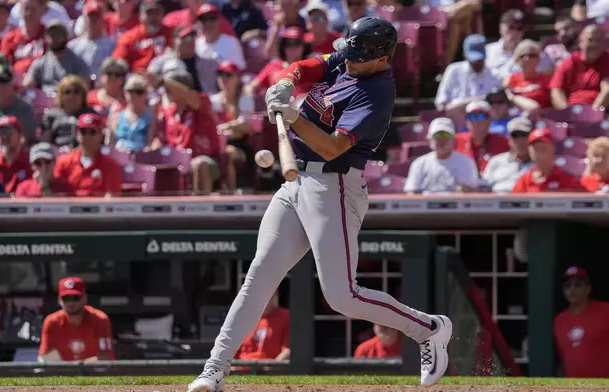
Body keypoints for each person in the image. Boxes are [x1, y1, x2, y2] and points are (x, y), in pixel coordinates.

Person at [187, 17, 452, 392]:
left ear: (381, 59)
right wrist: (287, 81)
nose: (348, 61)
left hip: (336, 187)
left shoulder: (376, 93)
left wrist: (292, 115)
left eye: (358, 57)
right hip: (296, 182)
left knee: (342, 295)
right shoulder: (350, 59)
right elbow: (312, 64)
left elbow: (332, 146)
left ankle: (429, 328)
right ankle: (214, 368)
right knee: (258, 277)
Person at [160, 69, 221, 194]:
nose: (166, 92)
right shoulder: (170, 112)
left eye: (169, 88)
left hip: (209, 161)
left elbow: (192, 98)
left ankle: (201, 209)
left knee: (199, 163)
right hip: (177, 162)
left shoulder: (202, 103)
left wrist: (165, 81)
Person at [38, 277, 115, 362]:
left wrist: (78, 367)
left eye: (76, 298)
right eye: (66, 298)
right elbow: (44, 358)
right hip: (65, 373)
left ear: (85, 298)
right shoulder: (51, 322)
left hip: (93, 372)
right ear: (59, 301)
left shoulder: (100, 320)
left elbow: (106, 357)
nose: (71, 303)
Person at [553, 266, 609, 378]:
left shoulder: (606, 311)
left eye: (578, 285)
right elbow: (564, 360)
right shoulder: (560, 320)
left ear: (588, 288)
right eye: (568, 286)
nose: (572, 290)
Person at [404, 117, 479, 194]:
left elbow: (470, 193)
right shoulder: (419, 164)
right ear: (430, 140)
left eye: (446, 136)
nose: (442, 140)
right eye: (437, 136)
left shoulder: (466, 162)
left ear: (453, 140)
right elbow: (411, 192)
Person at [55, 113, 123, 197]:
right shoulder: (63, 162)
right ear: (77, 134)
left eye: (92, 132)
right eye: (83, 132)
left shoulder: (111, 165)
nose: (87, 136)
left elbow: (112, 198)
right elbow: (57, 196)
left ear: (100, 135)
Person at [210, 61, 254, 190]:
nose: (223, 79)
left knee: (227, 153)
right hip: (217, 144)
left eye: (228, 75)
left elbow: (245, 126)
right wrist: (232, 127)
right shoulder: (214, 100)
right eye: (220, 74)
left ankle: (230, 191)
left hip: (239, 144)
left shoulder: (244, 99)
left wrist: (226, 126)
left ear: (237, 78)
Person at [435, 34, 500, 117]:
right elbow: (441, 104)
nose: (477, 63)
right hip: (457, 121)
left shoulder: (494, 74)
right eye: (473, 60)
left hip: (485, 123)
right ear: (465, 55)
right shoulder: (453, 70)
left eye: (480, 60)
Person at [550, 24, 609, 110]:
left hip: (600, 111)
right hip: (571, 111)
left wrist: (593, 113)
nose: (594, 44)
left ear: (604, 44)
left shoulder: (606, 60)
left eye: (598, 41)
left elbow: (607, 90)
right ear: (580, 42)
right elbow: (556, 90)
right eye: (590, 40)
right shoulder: (568, 63)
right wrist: (567, 112)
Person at [23, 21, 92, 93]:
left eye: (58, 34)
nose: (54, 38)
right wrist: (29, 83)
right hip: (45, 100)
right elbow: (28, 81)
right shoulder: (40, 62)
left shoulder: (77, 62)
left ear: (65, 37)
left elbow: (85, 84)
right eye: (51, 34)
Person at [147, 26, 219, 94]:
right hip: (173, 102)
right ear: (174, 41)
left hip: (204, 101)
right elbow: (150, 82)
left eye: (192, 38)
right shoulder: (161, 62)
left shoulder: (209, 63)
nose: (189, 42)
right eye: (185, 38)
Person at [243, 27, 311, 97]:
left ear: (304, 46)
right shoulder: (273, 66)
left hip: (301, 105)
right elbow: (251, 86)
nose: (292, 48)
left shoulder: (311, 66)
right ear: (283, 47)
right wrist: (249, 93)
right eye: (288, 44)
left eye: (297, 43)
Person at [512, 128, 583, 192]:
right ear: (529, 151)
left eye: (543, 148)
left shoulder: (567, 180)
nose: (539, 152)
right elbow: (513, 203)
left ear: (553, 148)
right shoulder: (524, 181)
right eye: (536, 148)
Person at [112, 0, 173, 72]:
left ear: (162, 15)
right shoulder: (129, 37)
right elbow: (117, 62)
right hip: (138, 77)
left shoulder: (170, 33)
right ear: (140, 16)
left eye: (157, 13)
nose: (153, 18)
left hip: (164, 76)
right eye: (149, 14)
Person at [41, 75, 98, 148]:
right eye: (67, 92)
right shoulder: (51, 116)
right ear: (60, 96)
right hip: (58, 153)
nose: (72, 95)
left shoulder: (91, 114)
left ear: (83, 95)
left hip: (83, 152)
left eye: (76, 91)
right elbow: (45, 142)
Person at [455, 100, 510, 173]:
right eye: (471, 117)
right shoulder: (456, 140)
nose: (476, 121)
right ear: (466, 121)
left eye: (481, 116)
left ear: (489, 120)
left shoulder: (503, 142)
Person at [0, 116, 33, 193]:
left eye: (9, 132)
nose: (4, 136)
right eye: (0, 133)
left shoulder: (32, 163)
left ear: (20, 136)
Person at [482, 117, 534, 193]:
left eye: (524, 135)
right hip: (497, 202)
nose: (520, 140)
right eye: (515, 135)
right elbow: (484, 188)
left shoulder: (539, 164)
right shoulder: (496, 161)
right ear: (509, 138)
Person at [234, 292, 290, 362]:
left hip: (269, 369)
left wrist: (271, 369)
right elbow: (231, 352)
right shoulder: (243, 317)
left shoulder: (286, 317)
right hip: (242, 369)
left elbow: (287, 350)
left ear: (275, 296)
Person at [109, 74, 158, 153]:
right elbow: (110, 145)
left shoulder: (151, 117)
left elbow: (150, 144)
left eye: (139, 92)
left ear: (146, 94)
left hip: (140, 158)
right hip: (119, 158)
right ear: (125, 92)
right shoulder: (116, 116)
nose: (134, 95)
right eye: (131, 91)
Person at [67, 1, 117, 78]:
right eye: (90, 17)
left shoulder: (112, 46)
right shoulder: (72, 46)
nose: (93, 20)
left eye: (97, 16)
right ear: (84, 18)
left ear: (102, 19)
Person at [504, 39, 553, 112]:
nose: (527, 58)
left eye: (532, 55)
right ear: (516, 59)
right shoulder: (510, 80)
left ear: (539, 59)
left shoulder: (548, 80)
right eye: (522, 55)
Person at [0, 0, 47, 73]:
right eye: (26, 9)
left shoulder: (48, 35)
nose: (29, 13)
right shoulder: (10, 38)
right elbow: (5, 66)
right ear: (20, 11)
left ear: (42, 11)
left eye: (33, 9)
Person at [195, 4, 246, 71]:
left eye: (212, 18)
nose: (208, 23)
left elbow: (240, 69)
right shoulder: (195, 44)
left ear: (219, 21)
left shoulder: (231, 42)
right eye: (203, 19)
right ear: (198, 23)